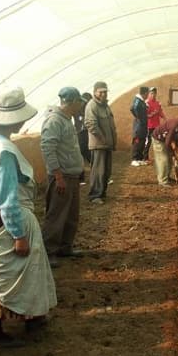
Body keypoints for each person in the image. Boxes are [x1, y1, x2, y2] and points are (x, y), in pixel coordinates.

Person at [0, 84, 57, 345]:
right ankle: (3, 328)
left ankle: (26, 318)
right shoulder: (3, 150)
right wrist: (18, 234)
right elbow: (7, 198)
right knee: (15, 269)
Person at [40, 87, 86, 266]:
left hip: (71, 175)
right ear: (72, 102)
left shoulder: (66, 119)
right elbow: (47, 148)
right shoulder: (54, 121)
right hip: (62, 176)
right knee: (57, 215)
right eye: (79, 102)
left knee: (71, 214)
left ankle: (66, 247)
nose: (81, 105)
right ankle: (49, 251)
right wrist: (57, 175)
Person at [84, 81, 117, 204]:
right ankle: (95, 196)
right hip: (98, 144)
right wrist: (102, 138)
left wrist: (112, 141)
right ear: (95, 92)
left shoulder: (105, 106)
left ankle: (102, 193)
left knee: (106, 171)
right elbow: (90, 124)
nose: (103, 94)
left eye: (105, 92)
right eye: (101, 92)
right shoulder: (92, 106)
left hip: (107, 144)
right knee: (98, 171)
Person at [151, 115, 178, 186]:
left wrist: (173, 155)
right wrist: (173, 154)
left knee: (169, 159)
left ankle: (167, 177)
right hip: (158, 139)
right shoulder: (174, 126)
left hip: (165, 140)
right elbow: (167, 143)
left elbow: (174, 140)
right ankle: (162, 181)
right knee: (163, 160)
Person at [75, 91, 93, 185]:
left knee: (88, 154)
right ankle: (81, 178)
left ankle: (100, 176)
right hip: (80, 134)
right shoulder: (77, 110)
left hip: (86, 133)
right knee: (81, 155)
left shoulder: (89, 109)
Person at [130, 86, 150, 166]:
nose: (148, 95)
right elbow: (133, 108)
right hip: (139, 126)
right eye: (148, 93)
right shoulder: (137, 100)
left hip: (143, 126)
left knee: (142, 142)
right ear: (145, 93)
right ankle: (134, 159)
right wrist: (139, 118)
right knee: (137, 141)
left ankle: (140, 159)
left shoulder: (142, 102)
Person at [143, 86, 165, 161]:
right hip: (149, 126)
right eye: (151, 93)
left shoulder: (158, 103)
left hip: (157, 126)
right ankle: (145, 158)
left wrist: (165, 118)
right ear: (149, 94)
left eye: (154, 94)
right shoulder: (146, 103)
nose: (153, 95)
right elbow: (144, 115)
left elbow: (160, 112)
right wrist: (151, 114)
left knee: (159, 141)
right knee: (148, 142)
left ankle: (159, 157)